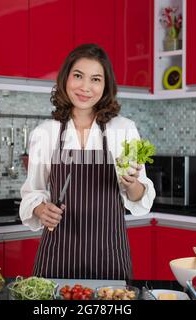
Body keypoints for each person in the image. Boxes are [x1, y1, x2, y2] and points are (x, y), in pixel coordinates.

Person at [19, 43, 156, 280]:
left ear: (105, 86)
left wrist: (132, 183)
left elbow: (138, 196)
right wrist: (42, 210)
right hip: (58, 256)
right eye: (78, 76)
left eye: (95, 79)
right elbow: (33, 192)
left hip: (109, 257)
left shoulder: (123, 129)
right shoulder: (46, 133)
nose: (85, 87)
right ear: (66, 79)